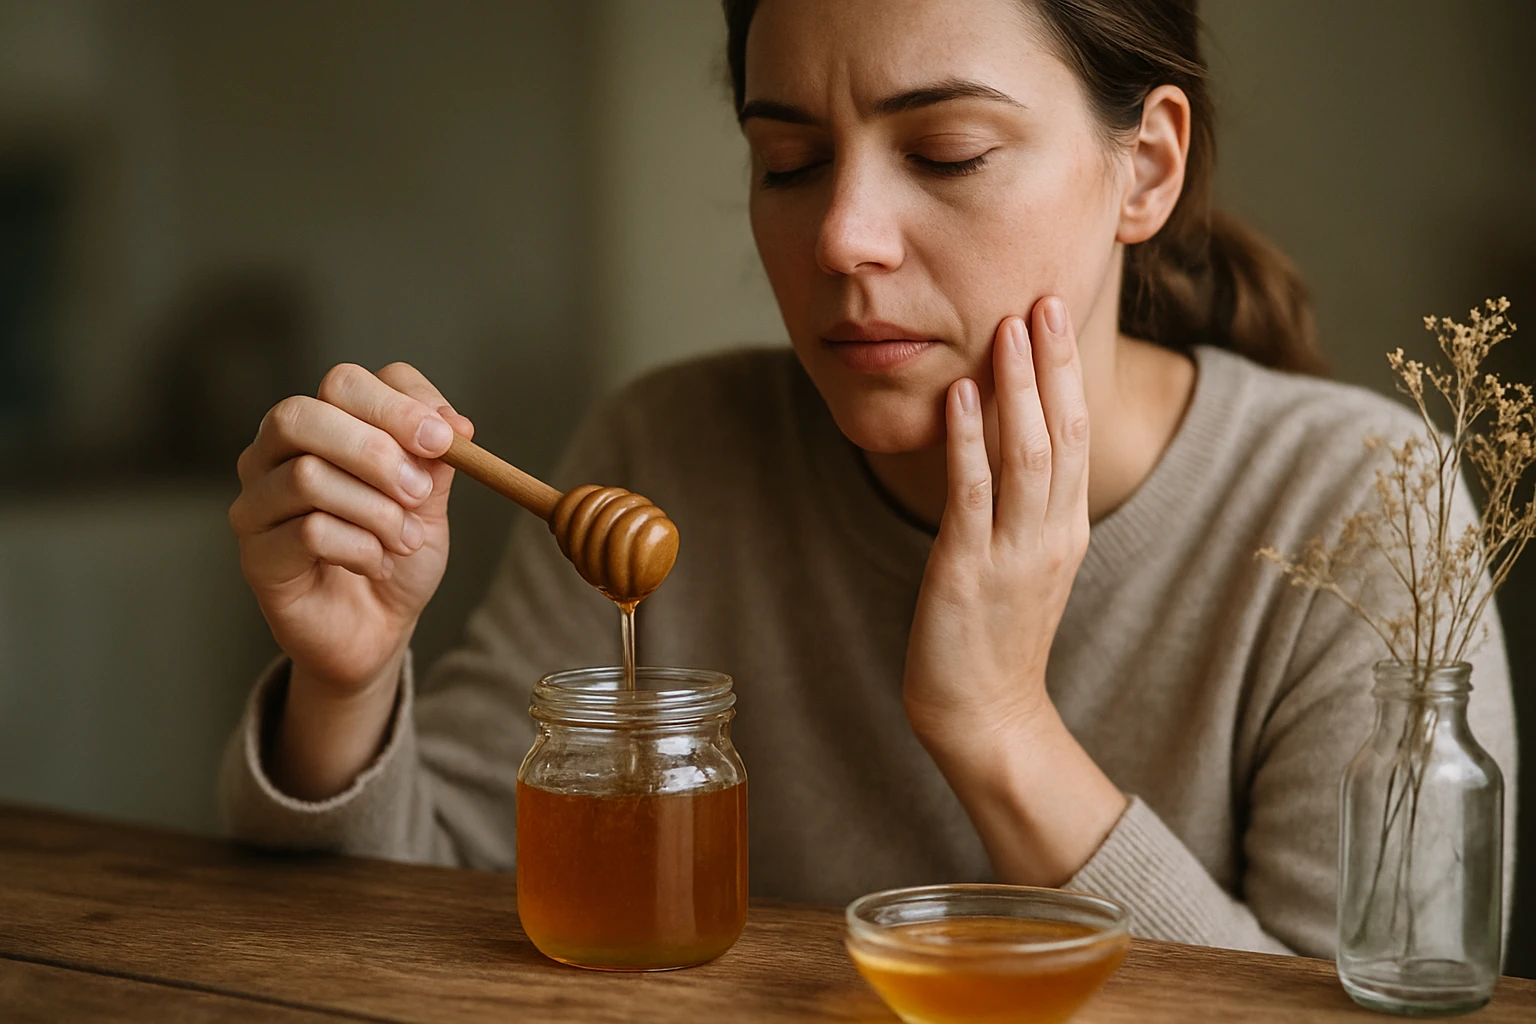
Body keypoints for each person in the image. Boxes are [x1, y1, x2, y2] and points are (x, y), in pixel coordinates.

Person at [221, 0, 1516, 957]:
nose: (841, 236)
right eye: (788, 162)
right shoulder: (669, 456)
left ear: (1148, 168)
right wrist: (346, 687)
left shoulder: (1360, 505)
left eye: (946, 151)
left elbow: (1375, 1001)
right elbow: (420, 913)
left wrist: (1001, 727)